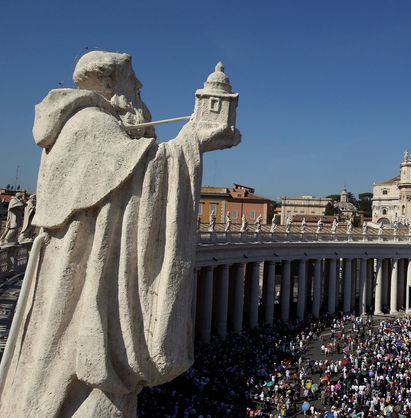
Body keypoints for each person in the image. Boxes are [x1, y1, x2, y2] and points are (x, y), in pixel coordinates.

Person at [0, 51, 240, 417]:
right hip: (78, 283)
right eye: (134, 81)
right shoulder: (90, 124)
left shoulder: (98, 125)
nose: (140, 87)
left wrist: (188, 143)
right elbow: (141, 174)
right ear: (111, 84)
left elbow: (131, 170)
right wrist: (193, 141)